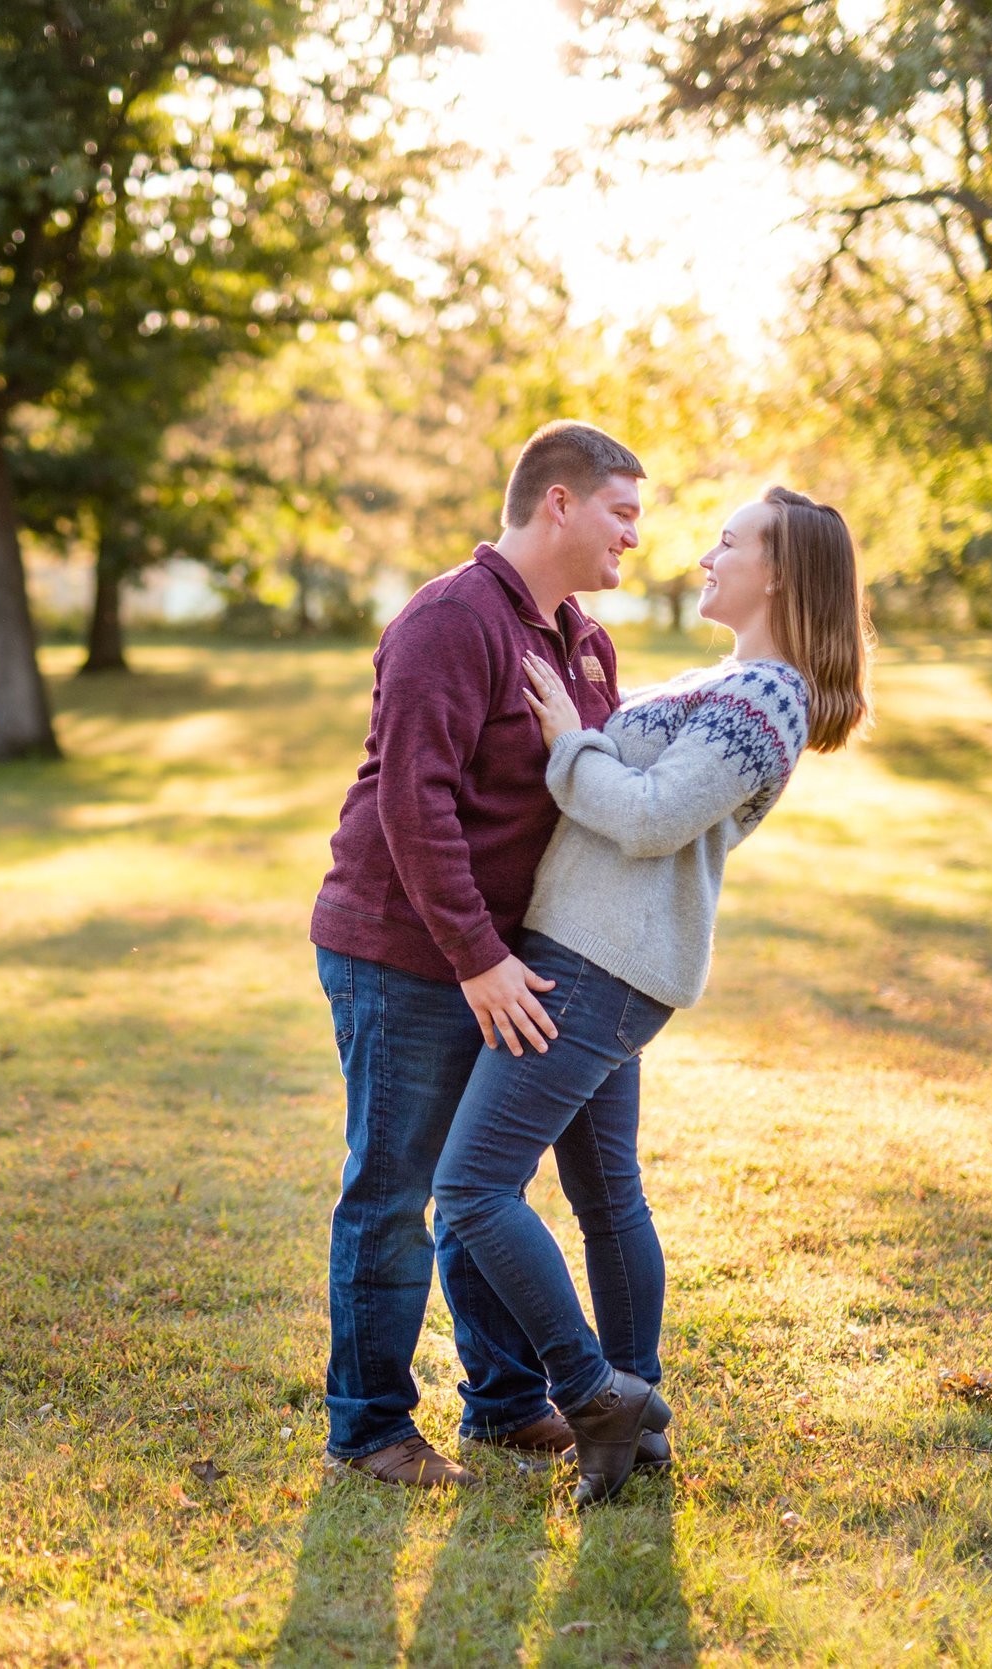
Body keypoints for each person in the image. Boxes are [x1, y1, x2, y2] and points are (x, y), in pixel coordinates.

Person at [430, 486, 872, 1506]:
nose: (705, 554)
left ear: (779, 574)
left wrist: (565, 742)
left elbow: (647, 818)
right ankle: (640, 1423)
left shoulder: (767, 702)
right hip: (591, 951)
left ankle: (593, 1393)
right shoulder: (728, 682)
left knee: (472, 1187)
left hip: (602, 964)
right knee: (603, 1194)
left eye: (730, 541)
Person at [310, 421, 644, 1487]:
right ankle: (367, 1428)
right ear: (558, 502)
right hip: (405, 951)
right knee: (393, 1187)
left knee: (481, 1183)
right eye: (621, 512)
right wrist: (474, 958)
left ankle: (503, 1403)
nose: (634, 538)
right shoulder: (449, 621)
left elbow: (594, 780)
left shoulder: (580, 640)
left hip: (506, 954)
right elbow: (415, 806)